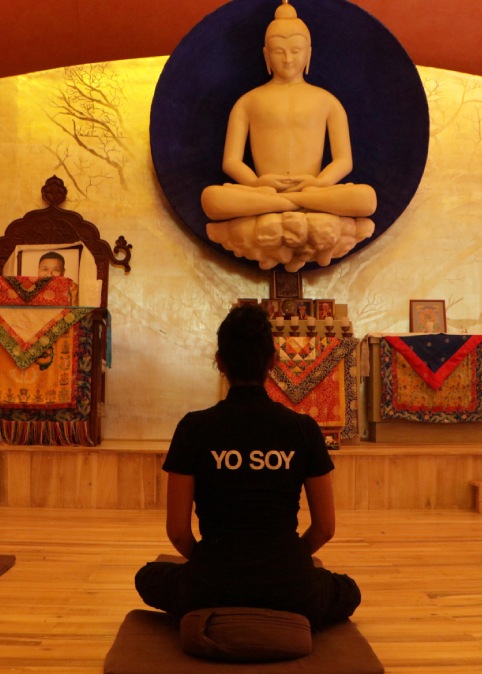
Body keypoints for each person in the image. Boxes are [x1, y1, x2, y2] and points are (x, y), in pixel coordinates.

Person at [134, 304, 360, 628]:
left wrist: (213, 567)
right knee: (348, 590)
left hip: (209, 587)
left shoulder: (193, 427)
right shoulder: (304, 429)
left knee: (148, 577)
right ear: (273, 361)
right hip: (291, 589)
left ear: (220, 362)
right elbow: (325, 528)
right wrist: (288, 560)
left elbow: (178, 532)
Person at [202, 1, 376, 272]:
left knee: (366, 198)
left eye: (295, 51)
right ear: (266, 55)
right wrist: (257, 182)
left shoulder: (327, 101)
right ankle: (291, 203)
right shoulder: (248, 101)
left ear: (308, 54)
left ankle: (291, 202)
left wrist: (319, 183)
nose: (287, 60)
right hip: (266, 192)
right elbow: (231, 162)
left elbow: (344, 161)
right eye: (279, 52)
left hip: (314, 190)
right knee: (212, 198)